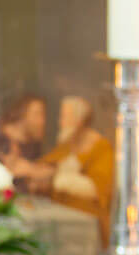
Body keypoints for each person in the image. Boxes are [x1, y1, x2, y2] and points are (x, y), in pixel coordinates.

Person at [40, 94, 115, 239]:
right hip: (61, 219)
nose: (60, 123)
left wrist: (59, 180)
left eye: (64, 117)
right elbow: (46, 165)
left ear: (79, 121)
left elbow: (97, 189)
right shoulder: (67, 145)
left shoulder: (101, 147)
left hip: (88, 224)